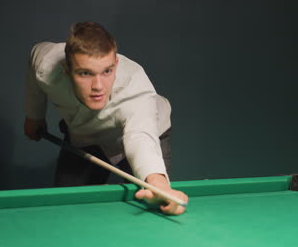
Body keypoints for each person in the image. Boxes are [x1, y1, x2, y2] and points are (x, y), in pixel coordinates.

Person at [23, 22, 188, 215]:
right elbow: (35, 55)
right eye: (85, 73)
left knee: (152, 204)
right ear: (66, 70)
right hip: (85, 136)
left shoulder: (134, 88)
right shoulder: (46, 63)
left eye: (107, 71)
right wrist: (34, 116)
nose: (98, 86)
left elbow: (140, 137)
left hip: (141, 134)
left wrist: (159, 185)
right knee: (66, 207)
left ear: (116, 64)